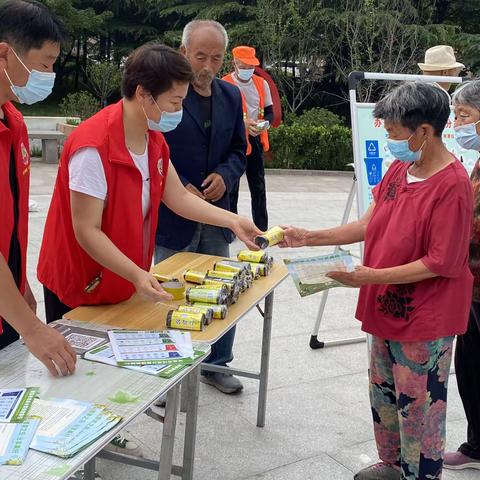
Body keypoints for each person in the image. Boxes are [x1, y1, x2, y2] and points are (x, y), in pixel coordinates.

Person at [37, 42, 260, 456]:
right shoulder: (93, 145)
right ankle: (70, 444)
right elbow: (87, 231)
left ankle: (104, 431)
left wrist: (232, 219)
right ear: (144, 94)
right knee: (76, 370)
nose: (179, 108)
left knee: (108, 367)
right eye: (175, 100)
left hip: (121, 274)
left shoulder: (153, 139)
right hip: (80, 278)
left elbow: (176, 197)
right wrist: (138, 274)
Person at [280, 82, 473, 480]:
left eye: (394, 130)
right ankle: (392, 463)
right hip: (385, 302)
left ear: (423, 131)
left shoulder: (452, 184)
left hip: (425, 316)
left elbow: (442, 262)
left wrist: (370, 276)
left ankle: (420, 473)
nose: (388, 138)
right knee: (384, 391)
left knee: (418, 401)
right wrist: (310, 236)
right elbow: (369, 223)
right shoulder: (402, 168)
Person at [154, 21, 248, 395]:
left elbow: (239, 150)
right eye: (200, 56)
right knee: (171, 293)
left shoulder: (229, 95)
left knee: (223, 288)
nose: (207, 66)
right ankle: (167, 365)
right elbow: (155, 147)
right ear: (182, 53)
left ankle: (216, 363)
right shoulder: (167, 95)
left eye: (215, 57)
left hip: (217, 210)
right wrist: (177, 186)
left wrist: (225, 175)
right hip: (174, 215)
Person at [0, 0, 76, 376]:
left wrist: (19, 284)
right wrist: (33, 329)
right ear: (4, 53)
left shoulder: (13, 122)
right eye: (45, 63)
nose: (49, 74)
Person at [441, 80, 480, 471]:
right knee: (470, 368)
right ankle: (476, 446)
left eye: (465, 117)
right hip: (472, 284)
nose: (458, 125)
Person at [223, 46, 274, 231]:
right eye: (243, 66)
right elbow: (221, 117)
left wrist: (264, 124)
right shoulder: (224, 84)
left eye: (250, 66)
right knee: (231, 187)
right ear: (234, 63)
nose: (247, 70)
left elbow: (269, 112)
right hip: (233, 141)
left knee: (258, 186)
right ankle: (230, 228)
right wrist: (242, 125)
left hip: (255, 139)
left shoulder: (262, 84)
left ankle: (261, 228)